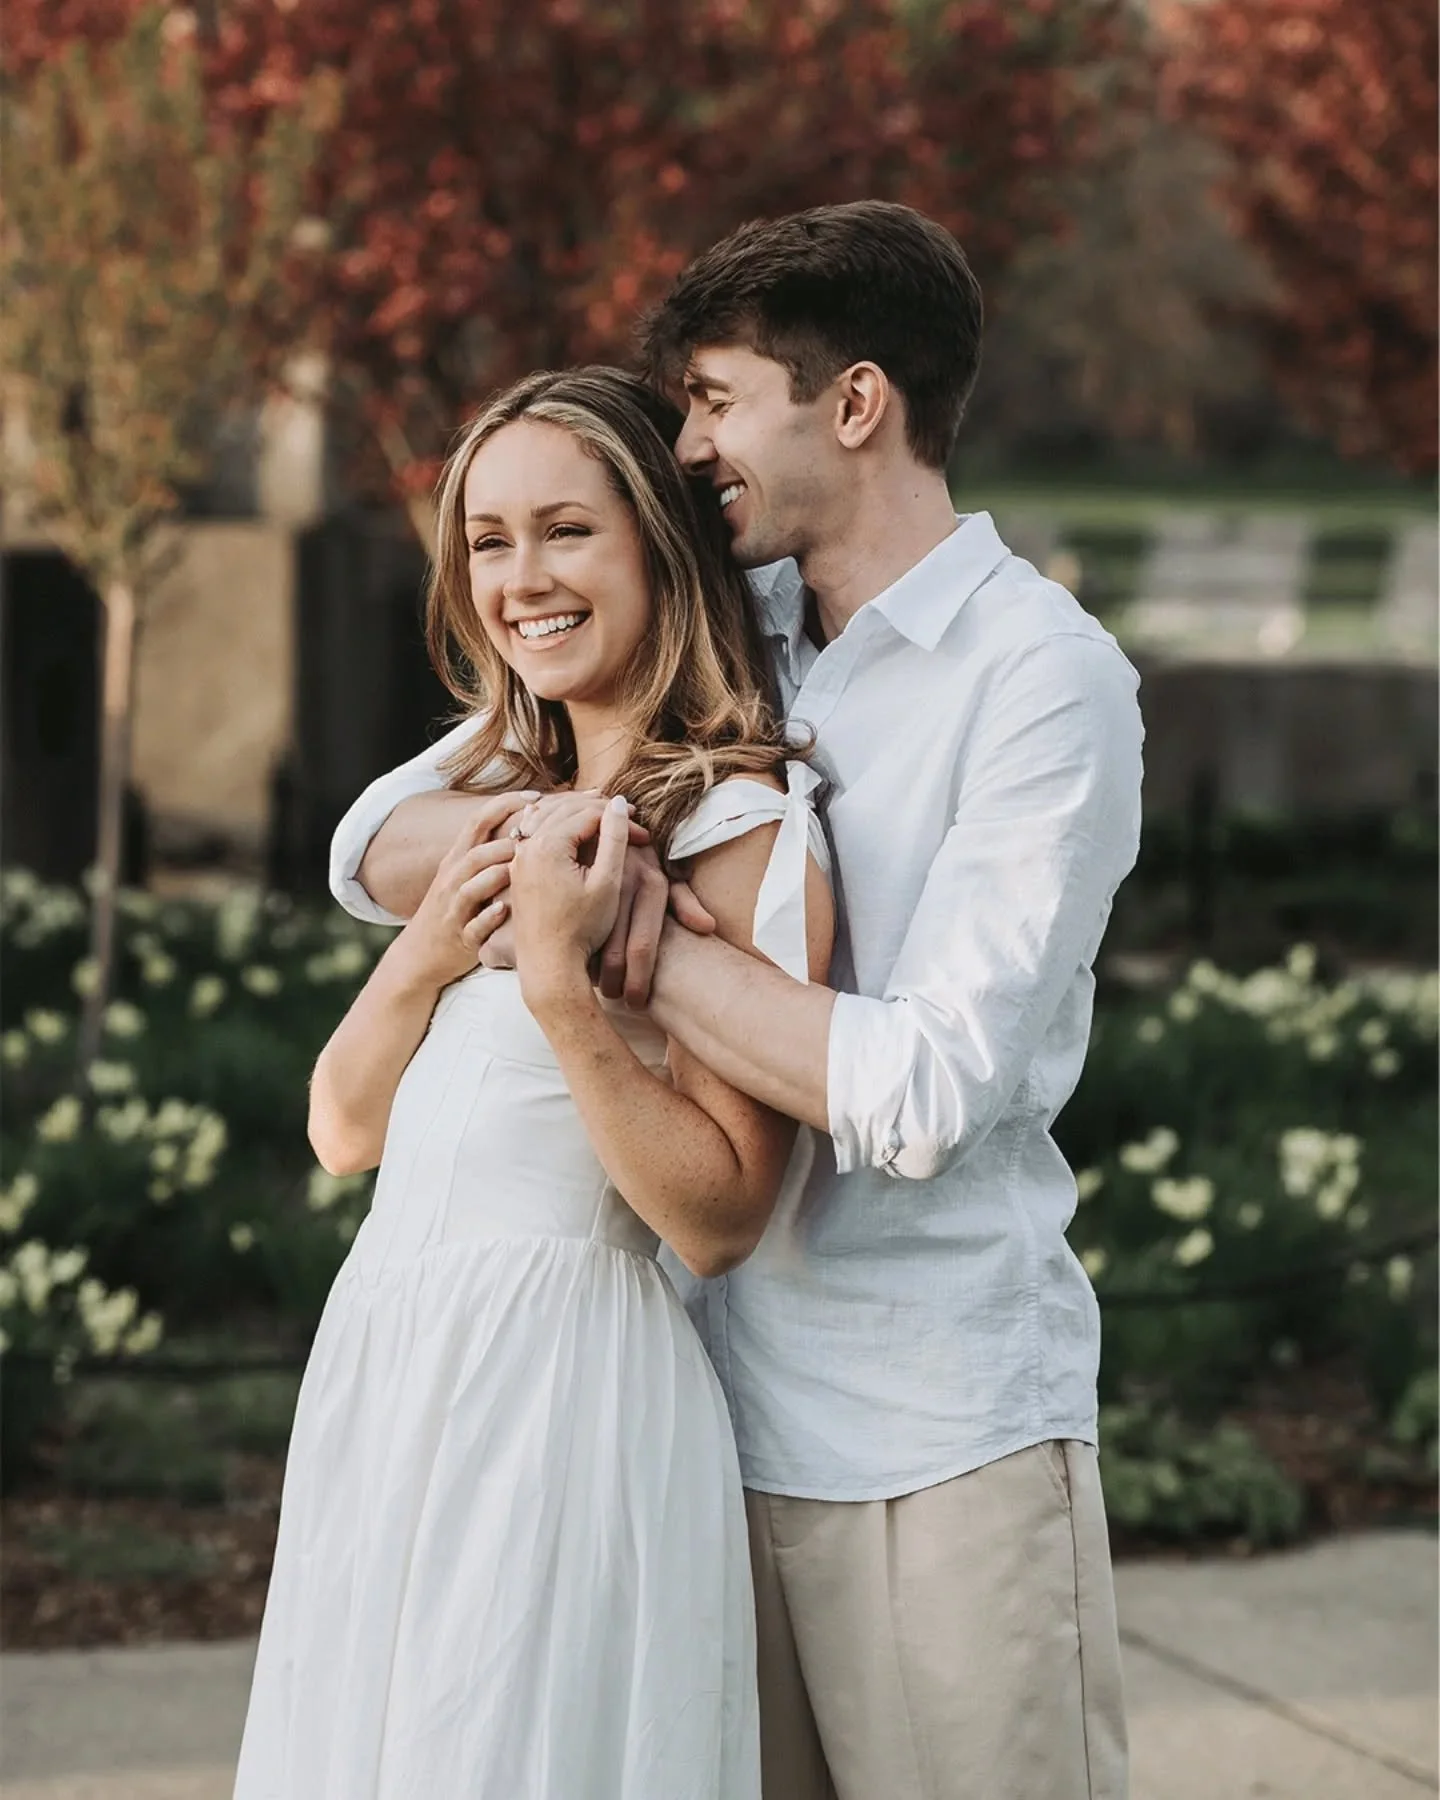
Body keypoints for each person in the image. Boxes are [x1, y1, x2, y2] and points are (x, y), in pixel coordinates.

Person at [332, 201, 1143, 1800]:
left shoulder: (1040, 678)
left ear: (855, 404)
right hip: (691, 1428)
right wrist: (576, 837)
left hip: (926, 1433)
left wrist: (640, 933)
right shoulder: (739, 628)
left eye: (714, 400)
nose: (689, 445)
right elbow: (373, 842)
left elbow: (924, 1092)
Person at [234, 367, 834, 1800]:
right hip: (390, 1365)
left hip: (560, 1385)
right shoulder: (490, 808)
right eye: (490, 542)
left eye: (568, 531)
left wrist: (564, 991)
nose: (523, 580)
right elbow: (340, 1129)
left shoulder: (738, 827)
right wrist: (431, 948)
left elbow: (720, 1218)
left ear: (658, 549)